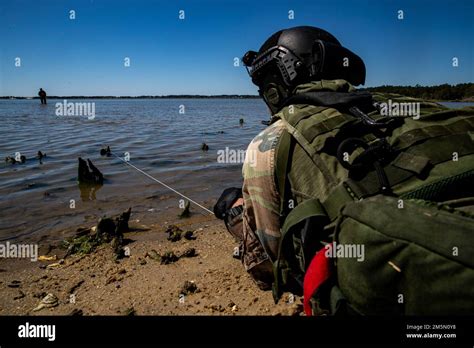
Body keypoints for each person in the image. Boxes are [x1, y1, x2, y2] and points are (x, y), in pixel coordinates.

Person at [215, 26, 474, 315]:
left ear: (276, 86)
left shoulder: (269, 143)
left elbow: (268, 265)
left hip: (388, 287)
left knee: (238, 208)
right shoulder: (420, 106)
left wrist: (237, 216)